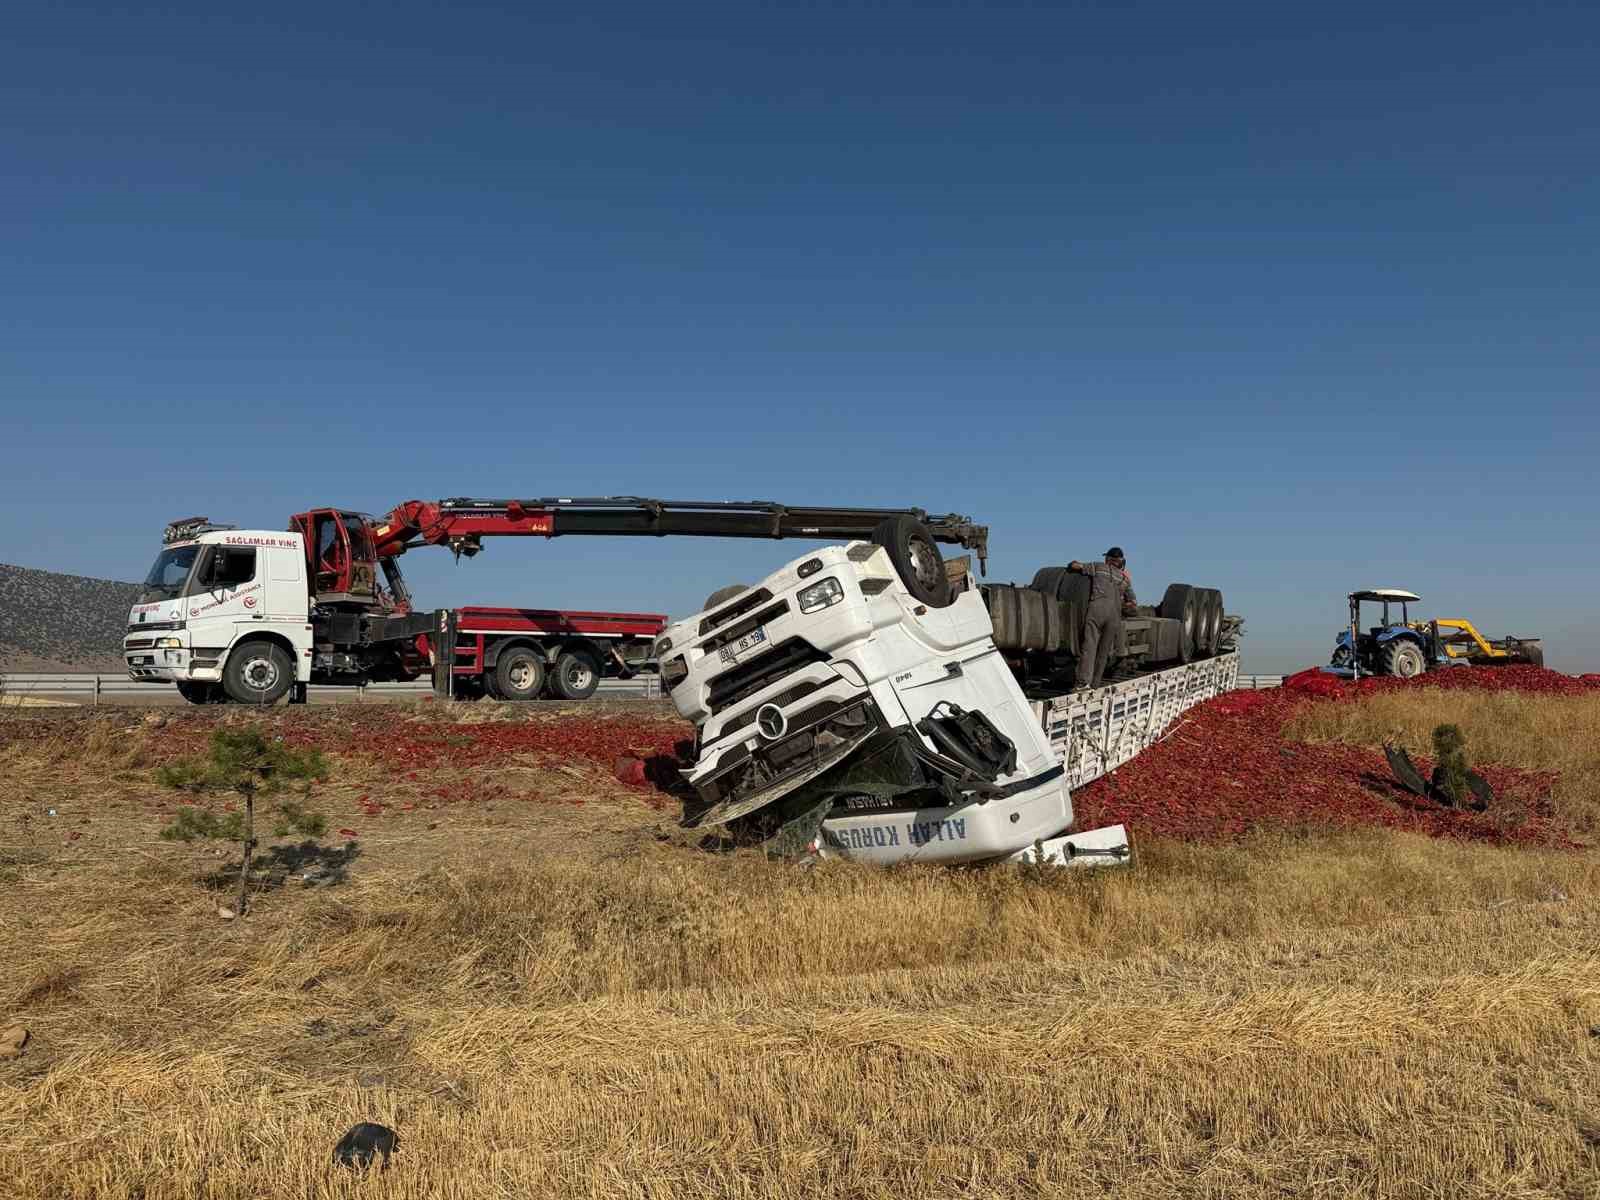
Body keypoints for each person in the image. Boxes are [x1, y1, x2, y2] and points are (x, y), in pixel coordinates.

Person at [1067, 547, 1137, 691]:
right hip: (1114, 617)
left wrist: (1073, 563)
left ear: (1108, 559)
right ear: (1121, 562)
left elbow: (1076, 566)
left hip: (1097, 610)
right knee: (1103, 652)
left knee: (1090, 646)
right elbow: (1133, 603)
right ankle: (1095, 684)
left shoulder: (1099, 567)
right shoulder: (1124, 579)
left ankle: (1083, 683)